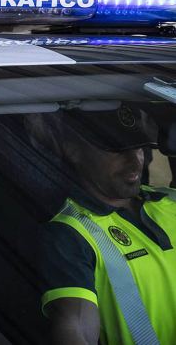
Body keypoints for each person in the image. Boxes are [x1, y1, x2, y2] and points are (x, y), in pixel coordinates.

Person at [38, 105, 176, 344]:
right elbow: (75, 326)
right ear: (74, 151)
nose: (135, 161)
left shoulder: (170, 200)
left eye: (138, 147)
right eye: (116, 149)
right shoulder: (71, 233)